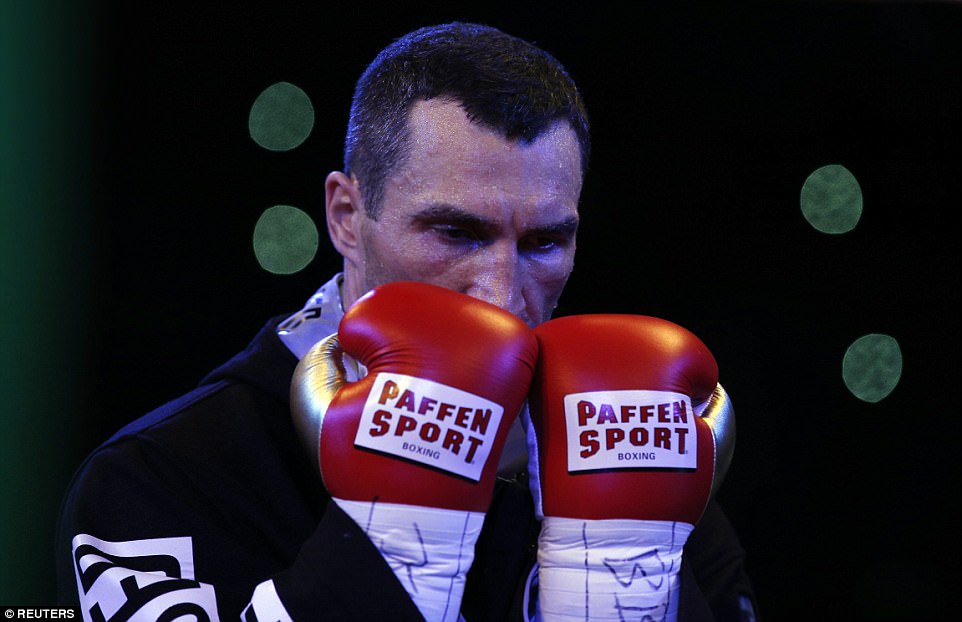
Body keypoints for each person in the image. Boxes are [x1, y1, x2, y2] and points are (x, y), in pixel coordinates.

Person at [57, 22, 760, 621]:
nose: (499, 292)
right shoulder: (166, 476)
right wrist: (385, 548)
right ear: (345, 217)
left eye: (545, 241)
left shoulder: (631, 463)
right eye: (454, 231)